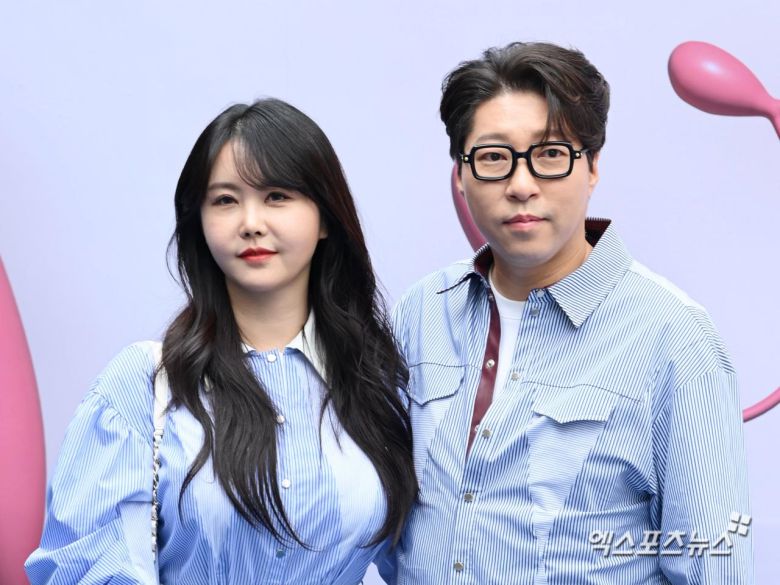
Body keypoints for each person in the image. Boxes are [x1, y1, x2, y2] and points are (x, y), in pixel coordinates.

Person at [382, 42, 753, 584]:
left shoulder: (673, 335)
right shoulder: (422, 312)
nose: (522, 185)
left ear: (593, 165)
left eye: (551, 154)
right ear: (460, 174)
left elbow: (714, 566)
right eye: (493, 158)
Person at [26, 98, 417, 584]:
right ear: (200, 222)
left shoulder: (380, 384)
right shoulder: (145, 385)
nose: (251, 222)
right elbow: (85, 568)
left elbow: (427, 558)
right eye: (226, 200)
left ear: (324, 219)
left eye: (277, 196)